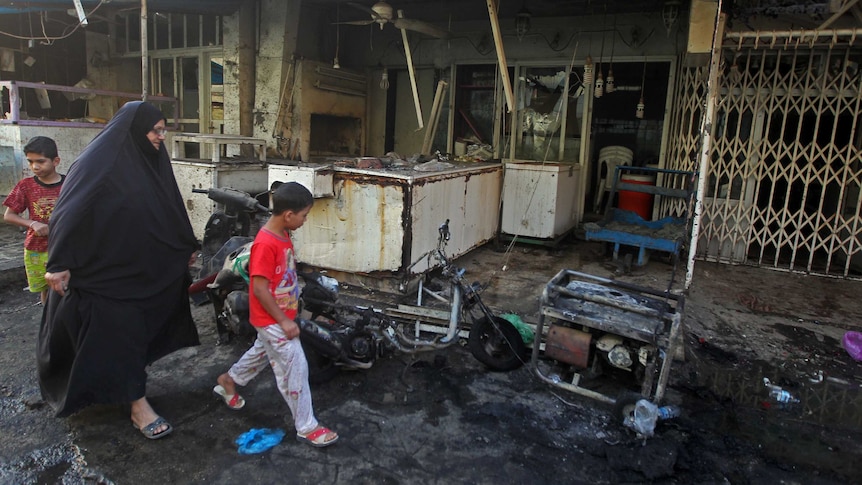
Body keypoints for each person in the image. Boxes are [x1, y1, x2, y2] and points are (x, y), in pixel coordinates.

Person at [38, 101, 200, 440]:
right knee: (121, 335)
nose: (161, 136)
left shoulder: (150, 160)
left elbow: (169, 203)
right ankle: (137, 406)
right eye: (155, 130)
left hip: (141, 269)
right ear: (134, 129)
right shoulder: (99, 163)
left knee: (134, 334)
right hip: (104, 272)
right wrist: (58, 263)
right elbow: (67, 213)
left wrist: (184, 246)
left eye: (163, 129)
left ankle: (122, 388)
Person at [213, 181, 339, 448]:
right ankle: (307, 426)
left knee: (260, 353)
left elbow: (280, 278)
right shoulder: (266, 243)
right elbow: (259, 288)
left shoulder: (282, 234)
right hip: (273, 321)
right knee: (295, 367)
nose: (305, 220)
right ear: (289, 215)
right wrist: (283, 320)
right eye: (304, 215)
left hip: (277, 318)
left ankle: (228, 381)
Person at [3, 136, 65, 305]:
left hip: (64, 246)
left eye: (41, 161)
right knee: (44, 289)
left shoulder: (69, 183)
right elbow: (9, 215)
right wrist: (32, 223)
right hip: (36, 249)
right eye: (30, 162)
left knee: (65, 287)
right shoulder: (26, 186)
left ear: (56, 161)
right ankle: (47, 321)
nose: (35, 167)